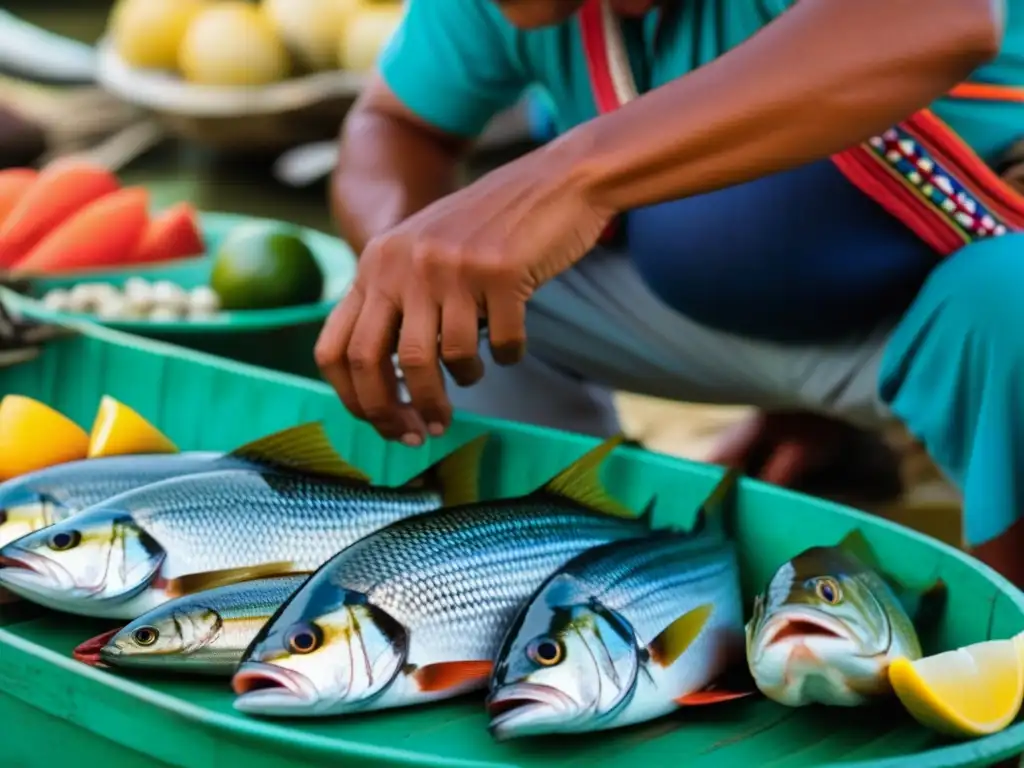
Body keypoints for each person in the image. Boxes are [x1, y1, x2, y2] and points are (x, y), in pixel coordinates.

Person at [315, 0, 1024, 584]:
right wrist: (413, 267)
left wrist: (570, 177)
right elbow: (394, 124)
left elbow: (944, 17)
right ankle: (555, 589)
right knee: (437, 279)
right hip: (723, 315)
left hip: (950, 331)